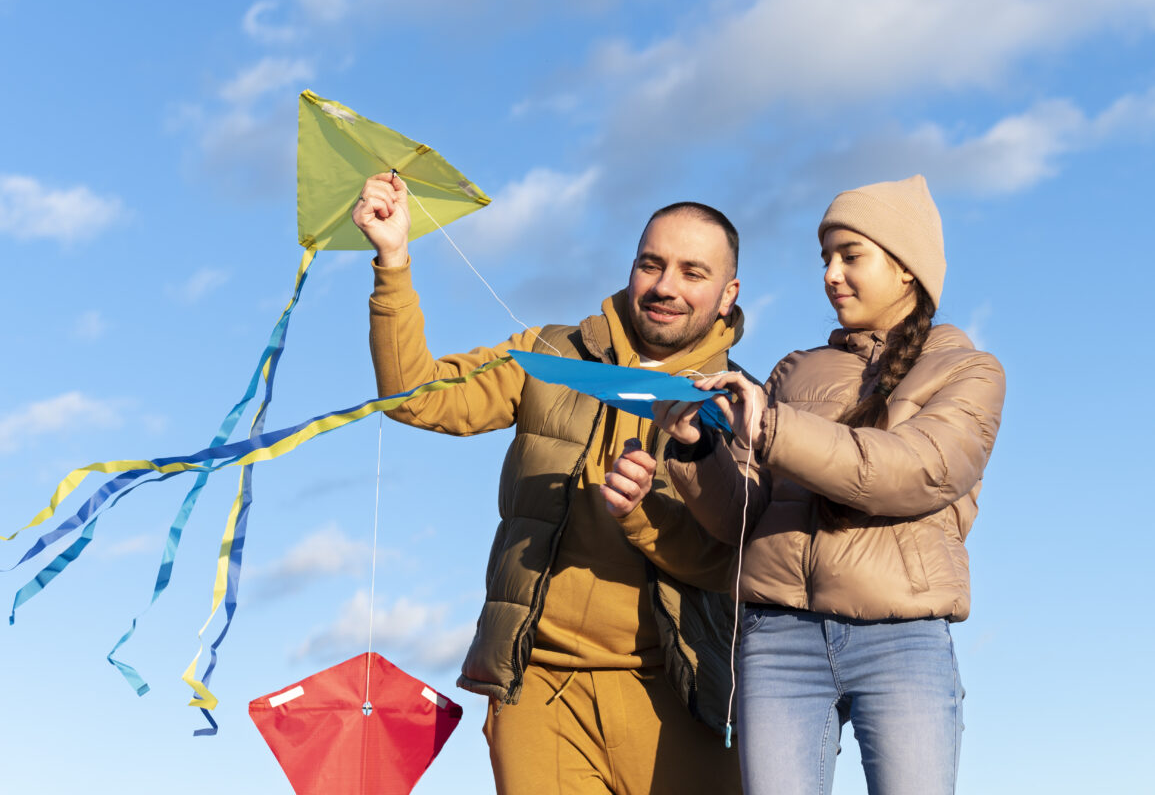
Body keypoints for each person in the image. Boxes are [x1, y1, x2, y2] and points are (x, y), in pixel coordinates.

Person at [352, 171, 745, 794]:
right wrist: (393, 259)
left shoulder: (742, 405)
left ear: (728, 293)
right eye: (652, 264)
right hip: (537, 689)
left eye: (693, 273)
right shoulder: (549, 355)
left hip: (681, 696)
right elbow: (416, 397)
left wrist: (643, 514)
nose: (665, 286)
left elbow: (733, 562)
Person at [634, 175, 1005, 794]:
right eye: (825, 259)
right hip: (776, 639)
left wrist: (771, 427)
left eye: (850, 256)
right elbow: (740, 520)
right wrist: (694, 448)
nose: (831, 274)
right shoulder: (794, 370)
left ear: (907, 269)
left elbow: (908, 471)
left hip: (901, 638)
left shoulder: (967, 371)